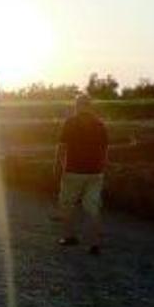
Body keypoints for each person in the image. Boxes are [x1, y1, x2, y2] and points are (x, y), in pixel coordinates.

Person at [55, 94, 109, 255]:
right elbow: (105, 149)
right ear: (90, 106)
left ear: (77, 106)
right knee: (92, 207)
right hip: (95, 172)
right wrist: (102, 167)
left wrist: (57, 165)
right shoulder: (100, 125)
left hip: (73, 171)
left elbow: (62, 147)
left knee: (67, 203)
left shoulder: (70, 123)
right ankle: (94, 243)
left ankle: (69, 236)